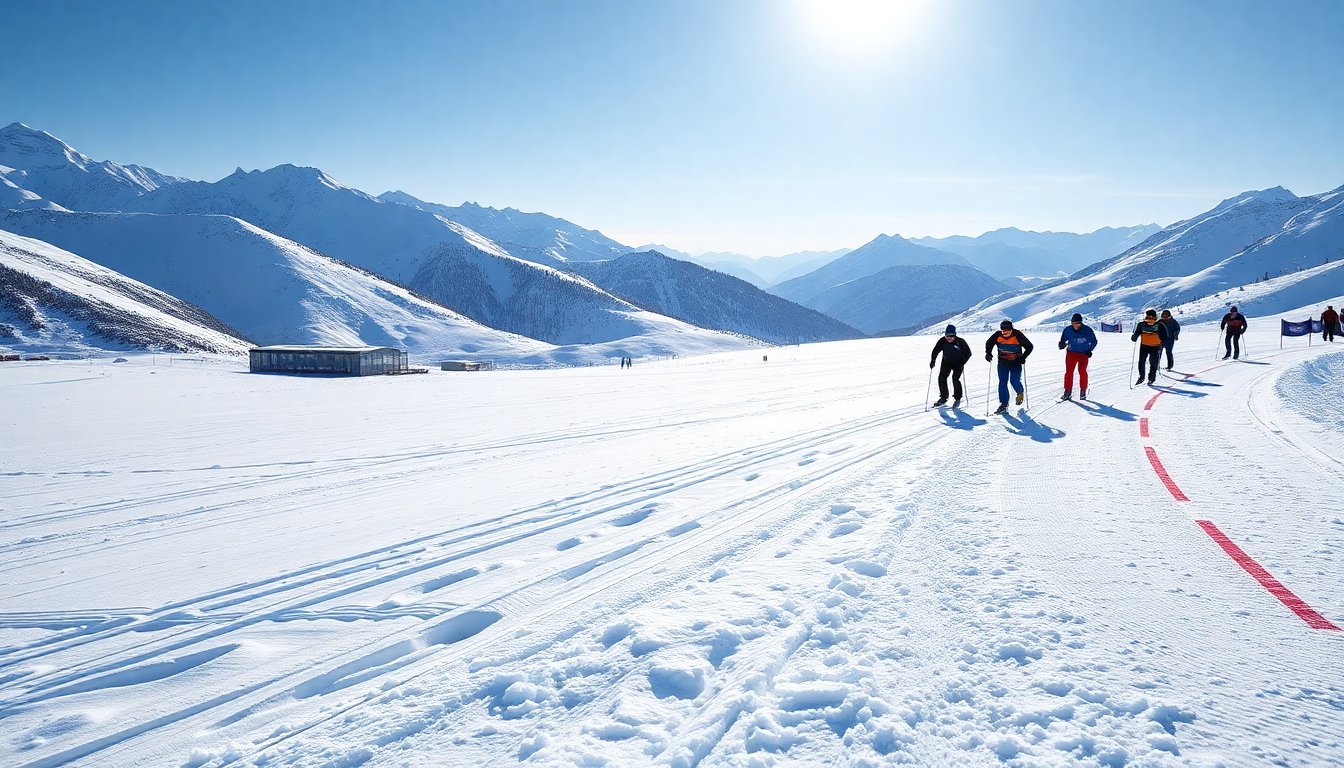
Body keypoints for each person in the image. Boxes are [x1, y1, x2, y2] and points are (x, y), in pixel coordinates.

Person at [985, 319, 1033, 414]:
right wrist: (988, 353)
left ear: (1011, 329)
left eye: (1007, 330)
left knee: (1014, 381)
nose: (1005, 332)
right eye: (1003, 330)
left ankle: (1020, 392)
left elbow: (1029, 346)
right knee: (1003, 382)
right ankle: (1004, 404)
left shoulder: (1017, 335)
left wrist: (1023, 357)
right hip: (1003, 362)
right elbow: (989, 343)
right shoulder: (997, 335)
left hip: (1016, 362)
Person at [929, 324, 973, 407]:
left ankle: (957, 398)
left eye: (951, 335)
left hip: (958, 363)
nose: (949, 337)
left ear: (955, 335)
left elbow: (968, 353)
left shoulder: (960, 342)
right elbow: (935, 351)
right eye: (947, 335)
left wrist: (962, 362)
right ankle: (944, 397)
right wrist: (933, 360)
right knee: (942, 377)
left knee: (955, 379)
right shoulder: (942, 341)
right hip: (946, 362)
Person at [1057, 312, 1097, 401]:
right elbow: (1063, 340)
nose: (1076, 325)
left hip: (1083, 354)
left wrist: (1089, 350)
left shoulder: (1087, 330)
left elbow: (1094, 341)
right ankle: (1067, 392)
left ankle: (1083, 391)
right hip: (1071, 354)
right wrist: (1061, 344)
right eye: (1074, 323)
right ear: (1072, 323)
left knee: (1082, 371)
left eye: (1078, 323)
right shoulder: (1068, 330)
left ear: (1081, 323)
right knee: (1069, 372)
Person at [1131, 309, 1168, 385]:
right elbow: (1165, 336)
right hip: (1155, 346)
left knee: (1142, 362)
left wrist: (1134, 337)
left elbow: (1135, 336)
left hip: (1144, 346)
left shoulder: (1141, 325)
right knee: (1153, 363)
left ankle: (1141, 377)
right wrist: (1163, 343)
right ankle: (1151, 378)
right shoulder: (1160, 325)